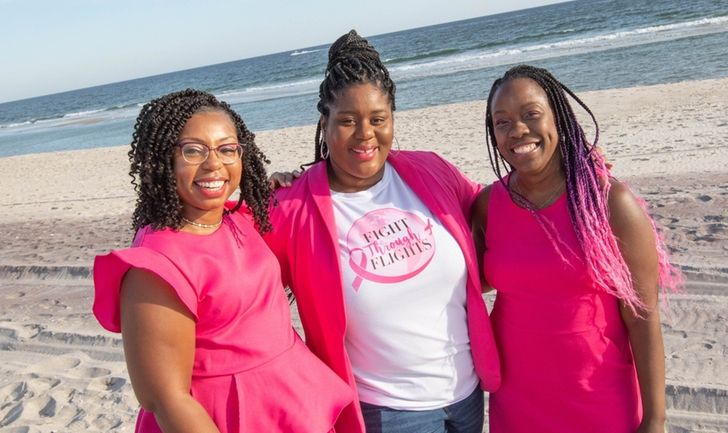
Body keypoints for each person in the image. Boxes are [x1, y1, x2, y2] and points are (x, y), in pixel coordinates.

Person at [263, 30, 500, 433]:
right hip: (384, 413)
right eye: (347, 121)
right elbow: (237, 277)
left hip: (467, 396)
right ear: (325, 122)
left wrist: (570, 176)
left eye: (378, 119)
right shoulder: (292, 207)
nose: (365, 134)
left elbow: (500, 206)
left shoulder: (430, 170)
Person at [92, 89, 353, 433]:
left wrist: (280, 184)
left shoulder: (236, 219)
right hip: (226, 416)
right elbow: (167, 399)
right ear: (163, 160)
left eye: (227, 149)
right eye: (193, 150)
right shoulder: (155, 265)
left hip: (291, 399)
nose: (214, 163)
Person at [472, 64, 682, 433]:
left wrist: (655, 419)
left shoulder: (608, 202)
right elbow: (476, 280)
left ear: (559, 116)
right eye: (501, 122)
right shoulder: (490, 204)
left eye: (531, 114)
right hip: (517, 404)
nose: (517, 130)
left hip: (599, 401)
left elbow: (643, 318)